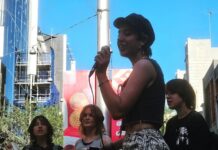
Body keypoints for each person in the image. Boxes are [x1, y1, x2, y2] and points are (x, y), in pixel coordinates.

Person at [94, 13, 169, 149]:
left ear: (143, 40)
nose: (120, 39)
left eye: (127, 34)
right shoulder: (143, 67)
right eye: (119, 34)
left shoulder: (143, 65)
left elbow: (118, 110)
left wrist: (101, 74)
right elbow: (136, 129)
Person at [164, 79, 211, 150]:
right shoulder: (170, 124)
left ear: (183, 94)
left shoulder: (196, 119)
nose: (167, 96)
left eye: (172, 92)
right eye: (167, 93)